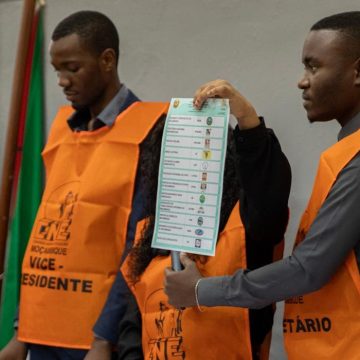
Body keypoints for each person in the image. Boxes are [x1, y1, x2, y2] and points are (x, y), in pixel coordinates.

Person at [164, 11, 360, 360]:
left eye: (314, 67)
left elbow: (308, 268)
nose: (302, 81)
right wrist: (248, 120)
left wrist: (200, 290)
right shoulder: (346, 152)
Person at [0, 10, 167, 360]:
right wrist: (22, 330)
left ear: (107, 60)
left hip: (100, 338)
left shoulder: (148, 129)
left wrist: (104, 338)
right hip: (43, 334)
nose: (62, 80)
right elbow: (45, 240)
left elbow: (138, 244)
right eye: (57, 70)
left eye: (72, 68)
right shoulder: (63, 129)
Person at [117, 84, 291, 359]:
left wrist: (246, 118)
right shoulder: (149, 237)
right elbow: (132, 328)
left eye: (201, 157)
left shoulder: (248, 225)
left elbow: (269, 193)